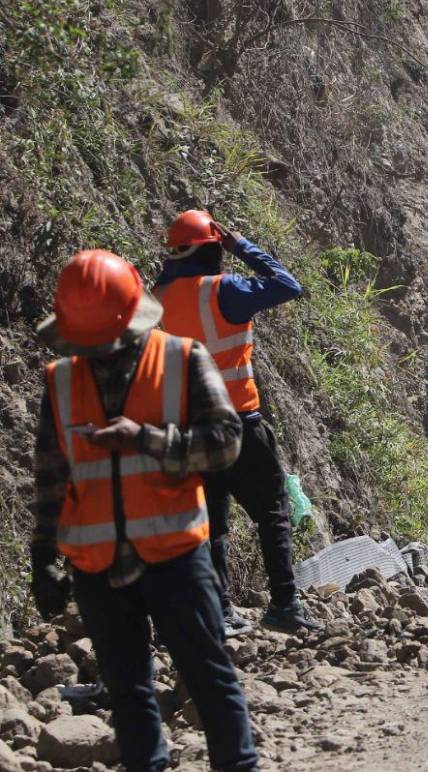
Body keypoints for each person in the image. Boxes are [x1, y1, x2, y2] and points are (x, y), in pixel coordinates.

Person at [31, 249, 258, 772]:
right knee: (128, 691)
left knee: (208, 676)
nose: (97, 355)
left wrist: (148, 440)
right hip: (97, 565)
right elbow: (51, 475)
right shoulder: (61, 382)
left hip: (175, 554)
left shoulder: (182, 359)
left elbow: (225, 442)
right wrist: (43, 553)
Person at [154, 210, 317, 635]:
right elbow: (287, 284)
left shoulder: (159, 297)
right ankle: (284, 605)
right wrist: (240, 245)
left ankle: (220, 610)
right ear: (212, 248)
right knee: (272, 511)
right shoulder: (224, 290)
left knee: (212, 523)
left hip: (192, 429)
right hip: (240, 422)